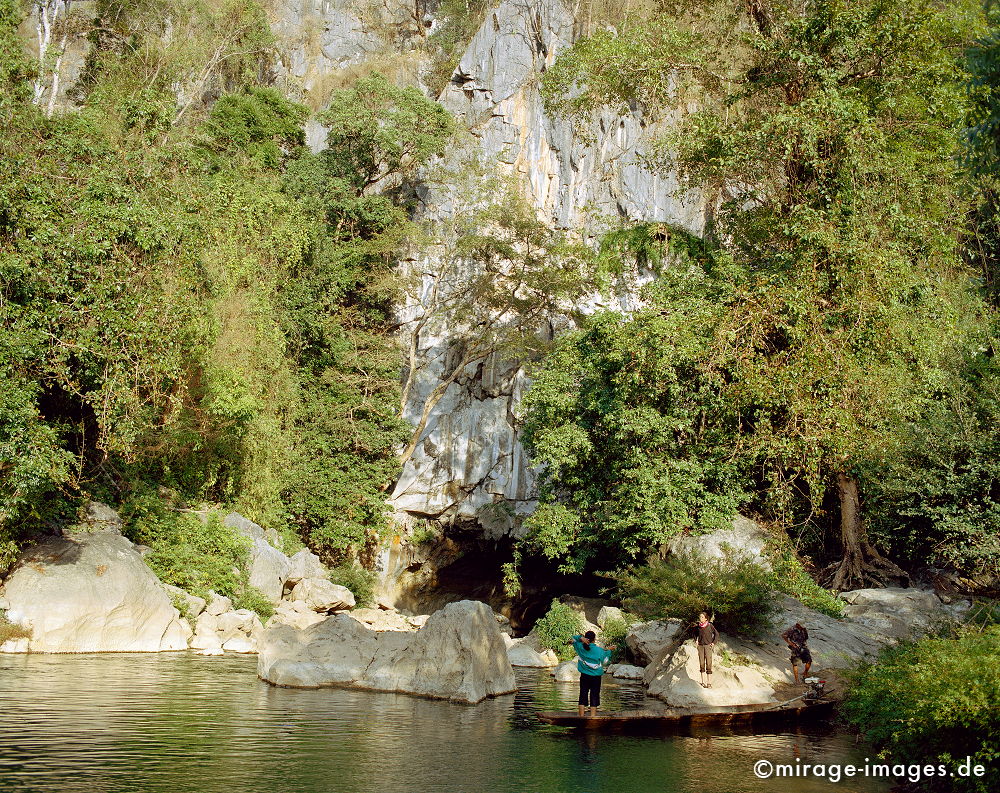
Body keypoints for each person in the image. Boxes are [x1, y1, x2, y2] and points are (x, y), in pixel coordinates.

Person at [567, 630, 614, 717]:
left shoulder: (580, 647)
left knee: (583, 694)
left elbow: (573, 638)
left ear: (586, 638)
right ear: (594, 639)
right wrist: (609, 651)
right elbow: (605, 661)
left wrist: (580, 638)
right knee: (594, 695)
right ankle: (592, 717)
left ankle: (581, 716)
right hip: (596, 677)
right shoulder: (599, 650)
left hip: (584, 676)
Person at [695, 612, 719, 688]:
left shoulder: (710, 625)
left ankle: (709, 683)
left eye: (702, 617)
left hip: (708, 646)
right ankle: (703, 682)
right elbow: (694, 634)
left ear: (706, 618)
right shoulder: (698, 626)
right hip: (701, 646)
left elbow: (716, 634)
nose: (700, 618)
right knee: (702, 663)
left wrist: (713, 642)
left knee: (709, 663)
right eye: (700, 617)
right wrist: (696, 640)